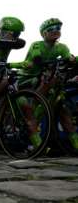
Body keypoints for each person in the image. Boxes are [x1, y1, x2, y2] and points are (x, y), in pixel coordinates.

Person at [19, 18, 78, 149]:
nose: (55, 31)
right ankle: (35, 139)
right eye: (51, 29)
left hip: (47, 81)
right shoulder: (37, 45)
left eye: (58, 28)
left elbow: (68, 57)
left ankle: (75, 144)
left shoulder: (62, 47)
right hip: (28, 78)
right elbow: (37, 58)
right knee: (46, 81)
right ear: (44, 33)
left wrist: (72, 59)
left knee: (63, 110)